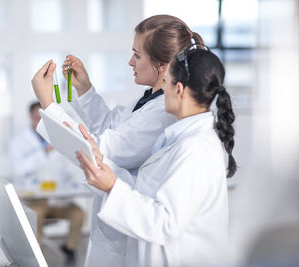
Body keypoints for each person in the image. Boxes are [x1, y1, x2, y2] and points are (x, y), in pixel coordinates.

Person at [32, 15, 205, 266]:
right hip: (114, 227)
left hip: (129, 234)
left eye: (137, 55)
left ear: (162, 64)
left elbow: (101, 151)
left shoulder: (161, 113)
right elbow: (111, 128)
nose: (130, 62)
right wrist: (85, 89)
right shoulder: (147, 100)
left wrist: (48, 105)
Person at [75, 46, 236, 266]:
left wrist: (113, 186)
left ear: (178, 89)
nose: (162, 92)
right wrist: (105, 169)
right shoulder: (179, 140)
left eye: (165, 83)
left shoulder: (196, 149)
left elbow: (165, 224)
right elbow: (145, 190)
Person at [9, 102, 84, 264]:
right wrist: (43, 153)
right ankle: (37, 255)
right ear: (30, 118)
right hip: (35, 201)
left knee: (78, 214)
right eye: (37, 118)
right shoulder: (20, 142)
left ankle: (69, 248)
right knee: (36, 215)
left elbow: (67, 172)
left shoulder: (57, 140)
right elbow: (18, 170)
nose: (41, 123)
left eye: (44, 119)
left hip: (58, 201)